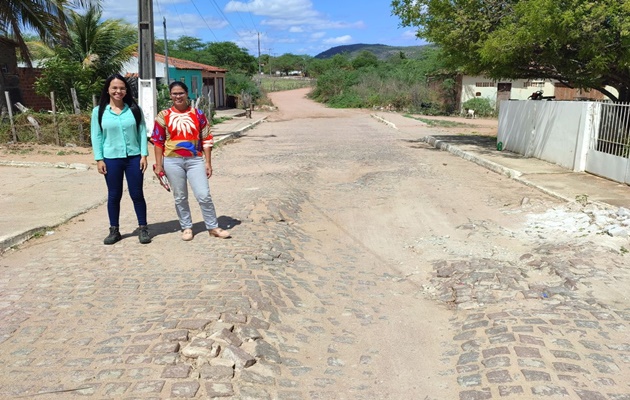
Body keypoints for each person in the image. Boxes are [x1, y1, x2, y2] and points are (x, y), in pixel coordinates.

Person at [151, 81, 230, 241]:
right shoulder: (163, 116)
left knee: (203, 195)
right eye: (174, 93)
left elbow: (207, 139)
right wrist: (159, 165)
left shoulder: (198, 114)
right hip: (172, 161)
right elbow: (158, 141)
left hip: (195, 160)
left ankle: (213, 226)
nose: (178, 96)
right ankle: (186, 227)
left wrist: (207, 162)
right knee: (180, 196)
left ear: (187, 94)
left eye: (181, 93)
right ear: (170, 95)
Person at [90, 74, 151, 245]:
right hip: (111, 159)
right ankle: (114, 230)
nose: (118, 91)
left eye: (122, 88)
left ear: (126, 90)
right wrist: (99, 159)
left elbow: (141, 131)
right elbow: (96, 136)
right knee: (114, 195)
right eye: (114, 88)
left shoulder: (134, 109)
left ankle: (143, 228)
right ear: (108, 90)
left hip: (133, 158)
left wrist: (144, 155)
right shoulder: (99, 112)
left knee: (137, 194)